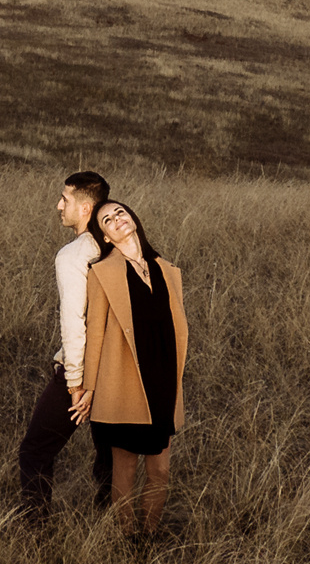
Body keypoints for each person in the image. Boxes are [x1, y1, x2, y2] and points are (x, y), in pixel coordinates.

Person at [80, 200, 189, 541]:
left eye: (120, 213)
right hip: (123, 383)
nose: (116, 220)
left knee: (160, 470)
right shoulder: (102, 273)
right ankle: (128, 541)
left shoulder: (167, 270)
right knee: (124, 471)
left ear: (134, 219)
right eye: (107, 221)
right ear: (106, 237)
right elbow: (94, 334)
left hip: (163, 381)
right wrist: (89, 390)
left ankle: (150, 535)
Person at [15, 170, 112, 522]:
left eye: (65, 200)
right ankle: (112, 525)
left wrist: (74, 383)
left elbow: (75, 325)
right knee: (110, 454)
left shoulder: (73, 255)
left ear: (86, 208)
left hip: (84, 369)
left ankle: (37, 534)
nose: (58, 206)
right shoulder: (119, 245)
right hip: (117, 368)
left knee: (35, 451)